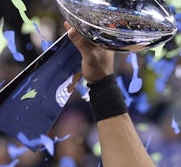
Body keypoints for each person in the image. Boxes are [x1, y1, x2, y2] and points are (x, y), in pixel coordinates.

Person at [64, 21, 156, 167]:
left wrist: (102, 83)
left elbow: (141, 107)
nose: (133, 62)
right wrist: (102, 83)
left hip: (136, 123)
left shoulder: (138, 82)